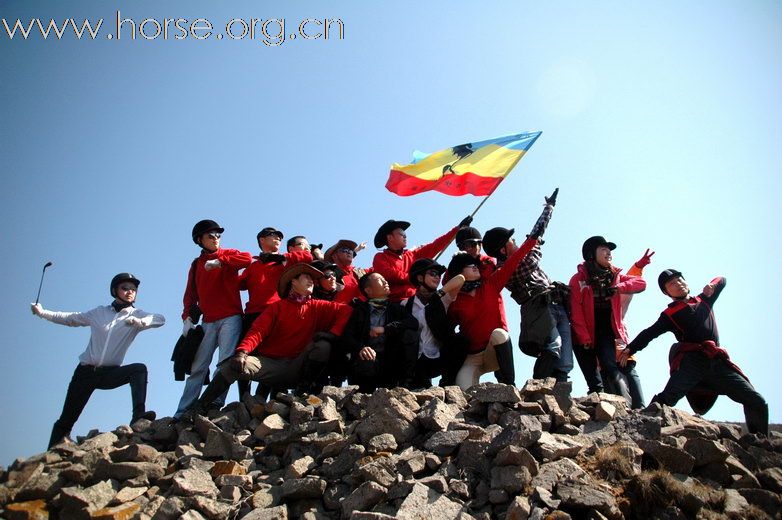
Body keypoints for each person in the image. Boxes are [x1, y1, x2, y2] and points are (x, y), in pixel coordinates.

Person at [186, 263, 352, 413]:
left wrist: (333, 333)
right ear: (293, 282)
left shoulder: (318, 306)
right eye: (306, 277)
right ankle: (199, 407)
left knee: (323, 346)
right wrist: (242, 352)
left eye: (312, 279)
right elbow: (257, 331)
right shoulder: (276, 308)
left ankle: (303, 392)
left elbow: (346, 311)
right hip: (272, 366)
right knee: (232, 365)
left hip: (298, 366)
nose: (312, 282)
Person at [619, 271, 768, 435]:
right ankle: (637, 427)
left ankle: (759, 441)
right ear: (666, 293)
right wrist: (630, 349)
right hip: (691, 363)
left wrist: (712, 284)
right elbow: (649, 333)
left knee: (756, 401)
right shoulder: (670, 314)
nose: (678, 284)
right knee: (667, 399)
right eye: (672, 284)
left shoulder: (705, 299)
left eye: (679, 280)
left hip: (717, 363)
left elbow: (722, 280)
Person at [31, 273, 165, 448]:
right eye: (125, 288)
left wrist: (141, 322)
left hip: (109, 374)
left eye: (133, 289)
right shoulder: (99, 312)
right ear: (114, 291)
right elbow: (70, 318)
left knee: (139, 369)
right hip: (85, 372)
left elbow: (160, 319)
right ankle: (50, 455)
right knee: (66, 419)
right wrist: (42, 313)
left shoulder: (136, 314)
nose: (130, 292)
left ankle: (138, 415)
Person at [484, 189, 573, 382]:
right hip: (537, 306)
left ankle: (559, 392)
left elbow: (535, 239)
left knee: (565, 359)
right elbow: (534, 244)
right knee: (552, 346)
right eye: (510, 240)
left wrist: (549, 208)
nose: (515, 241)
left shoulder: (520, 258)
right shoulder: (508, 267)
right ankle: (535, 387)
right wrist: (547, 212)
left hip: (555, 302)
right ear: (503, 248)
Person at [447, 224, 538, 390]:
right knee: (464, 391)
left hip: (493, 350)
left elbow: (515, 258)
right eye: (468, 265)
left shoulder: (491, 282)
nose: (474, 264)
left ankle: (510, 387)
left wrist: (535, 236)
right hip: (472, 356)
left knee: (499, 334)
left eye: (475, 244)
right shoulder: (455, 300)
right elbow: (443, 327)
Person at [175, 220, 252, 418]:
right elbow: (190, 295)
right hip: (207, 321)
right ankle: (183, 410)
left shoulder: (228, 254)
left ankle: (213, 404)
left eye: (218, 235)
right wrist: (186, 318)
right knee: (198, 367)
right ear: (199, 240)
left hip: (231, 318)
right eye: (211, 235)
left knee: (224, 364)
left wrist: (221, 261)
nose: (216, 238)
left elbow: (247, 259)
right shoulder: (195, 265)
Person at [569, 236, 646, 404]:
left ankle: (626, 406)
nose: (609, 252)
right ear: (591, 254)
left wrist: (618, 288)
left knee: (610, 366)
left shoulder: (614, 276)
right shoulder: (578, 279)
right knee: (595, 378)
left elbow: (640, 283)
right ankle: (602, 405)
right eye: (603, 249)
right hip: (584, 334)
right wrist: (584, 338)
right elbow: (576, 313)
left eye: (609, 249)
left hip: (605, 330)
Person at [342, 272, 420, 393]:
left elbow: (413, 323)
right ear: (368, 290)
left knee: (410, 334)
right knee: (366, 358)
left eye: (385, 279)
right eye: (380, 280)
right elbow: (347, 336)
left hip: (390, 365)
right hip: (366, 365)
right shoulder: (359, 310)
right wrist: (361, 348)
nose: (385, 282)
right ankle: (363, 398)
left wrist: (386, 328)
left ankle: (405, 385)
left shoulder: (396, 308)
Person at [372, 216, 472, 302]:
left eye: (405, 235)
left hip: (417, 301)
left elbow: (435, 245)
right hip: (395, 304)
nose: (405, 237)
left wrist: (458, 229)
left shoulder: (412, 255)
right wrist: (415, 277)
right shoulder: (380, 257)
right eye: (402, 235)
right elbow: (388, 274)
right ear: (390, 237)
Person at [404, 259, 467, 388]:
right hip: (416, 361)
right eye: (433, 273)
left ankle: (448, 383)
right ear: (420, 278)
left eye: (439, 274)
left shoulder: (443, 299)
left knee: (461, 340)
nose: (437, 277)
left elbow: (460, 279)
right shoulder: (406, 304)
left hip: (440, 357)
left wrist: (439, 293)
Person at [614, 249, 655, 408]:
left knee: (628, 369)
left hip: (618, 339)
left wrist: (639, 266)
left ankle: (640, 406)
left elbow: (629, 282)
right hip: (601, 345)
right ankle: (623, 407)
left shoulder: (616, 295)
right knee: (612, 376)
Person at [324, 239, 369, 304]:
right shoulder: (330, 277)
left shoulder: (361, 272)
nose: (349, 252)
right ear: (334, 256)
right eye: (344, 250)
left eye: (350, 250)